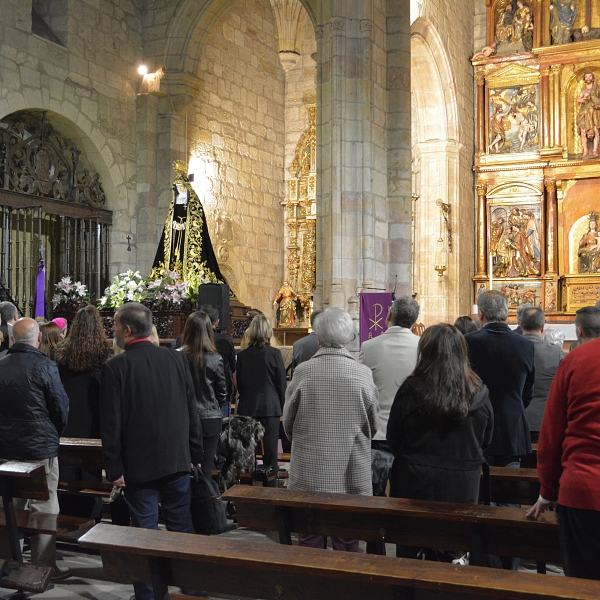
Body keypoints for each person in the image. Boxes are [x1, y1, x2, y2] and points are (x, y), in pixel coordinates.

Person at [99, 302, 203, 600]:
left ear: (127, 330)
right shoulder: (175, 360)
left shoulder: (116, 367)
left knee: (143, 531)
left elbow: (111, 424)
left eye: (116, 326)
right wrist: (195, 452)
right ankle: (191, 587)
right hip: (176, 460)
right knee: (181, 525)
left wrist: (114, 468)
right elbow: (190, 410)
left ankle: (148, 594)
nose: (114, 330)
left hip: (138, 465)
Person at [387, 324, 493, 558]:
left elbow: (393, 438)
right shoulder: (479, 394)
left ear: (424, 351)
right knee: (455, 549)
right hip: (462, 485)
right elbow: (485, 441)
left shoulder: (410, 390)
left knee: (410, 550)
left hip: (415, 482)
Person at [284, 307, 379, 552]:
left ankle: (312, 589)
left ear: (318, 338)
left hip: (310, 470)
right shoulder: (363, 374)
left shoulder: (303, 372)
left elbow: (288, 423)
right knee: (347, 539)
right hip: (350, 470)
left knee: (310, 540)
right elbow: (373, 425)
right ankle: (346, 589)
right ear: (349, 338)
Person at [525, 306, 600, 580]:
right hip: (584, 488)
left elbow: (552, 433)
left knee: (582, 582)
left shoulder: (574, 360)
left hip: (582, 489)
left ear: (579, 330)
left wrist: (547, 490)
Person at [0, 318, 70, 579]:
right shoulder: (45, 366)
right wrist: (53, 434)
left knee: (10, 504)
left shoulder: (1, 365)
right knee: (45, 505)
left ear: (13, 339)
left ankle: (9, 562)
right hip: (39, 448)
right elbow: (60, 407)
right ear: (38, 339)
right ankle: (44, 566)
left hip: (6, 447)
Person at [465, 291, 534, 471]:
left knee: (479, 489)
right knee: (509, 489)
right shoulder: (525, 345)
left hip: (477, 423)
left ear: (481, 313)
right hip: (512, 424)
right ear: (506, 313)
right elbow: (528, 390)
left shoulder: (468, 342)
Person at [54, 305, 109, 520]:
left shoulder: (62, 355)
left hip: (68, 419)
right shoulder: (102, 354)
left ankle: (68, 513)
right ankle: (90, 516)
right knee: (90, 470)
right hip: (92, 421)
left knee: (67, 468)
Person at [150, 161, 225, 286]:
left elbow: (197, 220)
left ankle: (190, 280)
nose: (179, 189)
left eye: (181, 186)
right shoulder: (175, 203)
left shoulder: (194, 204)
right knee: (174, 256)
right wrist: (175, 225)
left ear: (186, 186)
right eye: (177, 187)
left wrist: (185, 225)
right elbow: (170, 221)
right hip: (176, 236)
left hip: (188, 236)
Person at [359, 296, 419, 452]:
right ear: (414, 319)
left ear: (389, 315)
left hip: (379, 431)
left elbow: (360, 388)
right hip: (412, 430)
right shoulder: (424, 346)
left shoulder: (369, 347)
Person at [236, 315, 286, 482]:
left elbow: (240, 384)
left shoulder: (243, 356)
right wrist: (282, 406)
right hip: (270, 407)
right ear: (267, 332)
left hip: (247, 408)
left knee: (248, 454)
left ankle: (245, 493)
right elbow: (281, 384)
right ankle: (271, 495)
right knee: (270, 456)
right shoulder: (274, 354)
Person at [180, 310, 228, 478]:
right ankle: (204, 502)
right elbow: (222, 393)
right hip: (210, 418)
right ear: (209, 330)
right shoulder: (215, 358)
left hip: (184, 417)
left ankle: (187, 503)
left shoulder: (178, 356)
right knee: (206, 468)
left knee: (184, 466)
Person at [520, 307, 564, 444]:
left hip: (516, 421)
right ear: (543, 327)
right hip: (544, 420)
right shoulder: (555, 352)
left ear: (520, 326)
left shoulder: (510, 349)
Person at [576, 72, 600, 158]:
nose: (588, 78)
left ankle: (594, 150)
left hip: (594, 112)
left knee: (595, 130)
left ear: (593, 78)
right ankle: (585, 150)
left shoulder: (597, 88)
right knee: (583, 132)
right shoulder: (583, 91)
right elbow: (577, 103)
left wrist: (594, 100)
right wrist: (580, 100)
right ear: (584, 79)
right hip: (584, 112)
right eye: (586, 77)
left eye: (590, 76)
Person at [291, 309, 323, 373]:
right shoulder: (328, 343)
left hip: (302, 380)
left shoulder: (297, 344)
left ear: (311, 324)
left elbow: (293, 370)